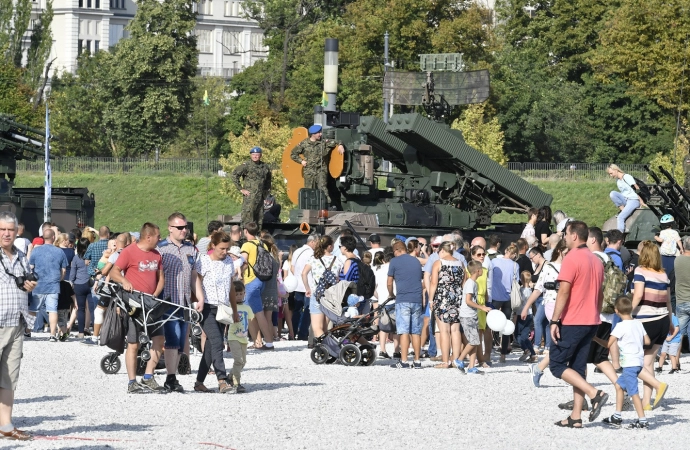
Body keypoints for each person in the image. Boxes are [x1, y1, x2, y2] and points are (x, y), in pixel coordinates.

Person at [550, 220, 609, 428]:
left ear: (574, 235)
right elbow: (600, 294)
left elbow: (564, 291)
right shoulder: (596, 260)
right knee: (578, 367)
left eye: (566, 233)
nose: (565, 237)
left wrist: (555, 320)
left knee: (556, 364)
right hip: (592, 320)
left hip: (573, 320)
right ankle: (576, 416)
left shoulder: (572, 257)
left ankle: (595, 393)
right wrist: (595, 315)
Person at [109, 223, 166, 394]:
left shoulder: (157, 255)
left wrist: (155, 294)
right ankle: (132, 382)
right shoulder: (129, 251)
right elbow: (114, 272)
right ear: (149, 237)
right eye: (158, 236)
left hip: (152, 304)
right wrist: (124, 281)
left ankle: (148, 376)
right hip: (134, 303)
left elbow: (160, 278)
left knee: (159, 339)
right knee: (133, 342)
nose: (160, 239)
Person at [0, 212, 37, 441]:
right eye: (2, 229)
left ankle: (6, 425)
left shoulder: (22, 256)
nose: (6, 233)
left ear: (17, 232)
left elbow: (23, 283)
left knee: (9, 377)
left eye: (10, 230)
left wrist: (30, 285)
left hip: (17, 322)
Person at [192, 231, 239, 394]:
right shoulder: (203, 262)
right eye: (222, 248)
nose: (225, 252)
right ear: (213, 246)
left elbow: (231, 286)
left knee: (211, 346)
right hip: (207, 308)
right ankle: (222, 380)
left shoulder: (229, 262)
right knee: (218, 342)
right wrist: (198, 300)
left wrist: (235, 310)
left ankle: (199, 382)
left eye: (227, 248)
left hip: (223, 309)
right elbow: (196, 282)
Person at [157, 212, 198, 393]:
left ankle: (172, 374)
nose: (184, 230)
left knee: (182, 342)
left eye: (186, 227)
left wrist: (199, 298)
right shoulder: (161, 249)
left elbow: (195, 276)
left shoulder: (192, 249)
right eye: (180, 227)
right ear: (170, 228)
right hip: (168, 301)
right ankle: (171, 377)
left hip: (186, 302)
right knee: (172, 338)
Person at [631, 240, 671, 410]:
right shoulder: (663, 274)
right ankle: (646, 403)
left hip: (646, 320)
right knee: (648, 362)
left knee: (632, 361)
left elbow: (638, 294)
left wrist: (628, 313)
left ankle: (657, 385)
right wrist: (670, 321)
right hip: (662, 320)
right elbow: (668, 300)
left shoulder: (640, 271)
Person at [600, 296, 650, 429]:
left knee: (634, 393)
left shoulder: (620, 326)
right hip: (639, 362)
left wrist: (594, 338)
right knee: (619, 386)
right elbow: (648, 341)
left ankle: (642, 420)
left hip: (629, 364)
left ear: (616, 311)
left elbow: (607, 345)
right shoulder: (638, 323)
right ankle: (617, 416)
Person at [427, 241, 464, 369]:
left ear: (442, 250)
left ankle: (445, 361)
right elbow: (463, 283)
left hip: (442, 298)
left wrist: (430, 300)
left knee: (444, 330)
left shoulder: (438, 263)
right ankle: (455, 360)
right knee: (455, 330)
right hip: (457, 299)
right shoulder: (461, 263)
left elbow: (433, 283)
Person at [388, 241, 424, 369]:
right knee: (415, 331)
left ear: (397, 250)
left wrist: (391, 294)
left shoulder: (394, 261)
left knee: (403, 331)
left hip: (403, 299)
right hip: (416, 299)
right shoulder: (415, 261)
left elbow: (389, 282)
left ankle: (404, 361)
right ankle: (417, 361)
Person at [290, 124, 345, 206]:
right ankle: (309, 207)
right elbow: (293, 154)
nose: (320, 134)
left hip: (321, 170)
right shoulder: (304, 143)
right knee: (309, 189)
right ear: (313, 134)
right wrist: (301, 161)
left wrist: (340, 145)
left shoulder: (324, 142)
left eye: (320, 132)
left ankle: (326, 206)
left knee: (322, 188)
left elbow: (337, 141)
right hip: (309, 171)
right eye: (318, 133)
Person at [28, 228, 68, 342]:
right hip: (53, 285)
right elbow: (64, 270)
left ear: (43, 238)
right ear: (53, 237)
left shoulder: (36, 251)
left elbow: (30, 267)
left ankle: (27, 331)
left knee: (33, 309)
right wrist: (59, 279)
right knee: (52, 310)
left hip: (38, 284)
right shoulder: (59, 251)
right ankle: (52, 334)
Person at [240, 222, 275, 350]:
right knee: (252, 313)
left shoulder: (247, 245)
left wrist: (237, 272)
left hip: (251, 281)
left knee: (258, 313)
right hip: (261, 280)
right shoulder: (263, 244)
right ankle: (257, 341)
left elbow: (243, 262)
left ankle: (269, 342)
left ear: (245, 231)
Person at [302, 236, 342, 340]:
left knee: (316, 327)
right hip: (332, 295)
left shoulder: (313, 259)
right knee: (324, 327)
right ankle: (327, 348)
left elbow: (304, 273)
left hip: (318, 293)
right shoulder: (337, 260)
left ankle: (326, 348)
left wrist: (307, 288)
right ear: (329, 246)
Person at [455, 261, 492, 374]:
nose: (483, 271)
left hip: (472, 315)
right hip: (467, 316)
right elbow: (468, 301)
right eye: (481, 269)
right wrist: (482, 307)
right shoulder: (470, 283)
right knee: (474, 341)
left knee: (475, 341)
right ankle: (459, 359)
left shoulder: (474, 283)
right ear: (477, 271)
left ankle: (471, 367)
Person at [231, 146, 272, 229]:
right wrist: (241, 189)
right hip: (250, 197)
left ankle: (257, 236)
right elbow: (234, 175)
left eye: (257, 154)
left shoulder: (264, 167)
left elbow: (268, 179)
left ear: (260, 155)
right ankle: (246, 236)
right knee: (248, 217)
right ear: (250, 155)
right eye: (253, 154)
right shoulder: (246, 166)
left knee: (259, 219)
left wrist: (266, 192)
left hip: (260, 197)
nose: (255, 156)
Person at [491, 243, 519, 363]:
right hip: (508, 296)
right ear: (513, 254)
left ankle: (488, 348)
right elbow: (516, 281)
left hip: (495, 295)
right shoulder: (515, 265)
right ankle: (503, 354)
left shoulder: (494, 262)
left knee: (490, 323)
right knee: (506, 325)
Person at [227, 280, 253, 393]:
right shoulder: (230, 307)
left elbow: (251, 323)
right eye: (236, 294)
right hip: (233, 337)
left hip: (243, 338)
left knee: (243, 362)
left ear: (244, 293)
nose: (238, 296)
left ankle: (230, 376)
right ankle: (236, 383)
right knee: (238, 360)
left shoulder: (247, 308)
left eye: (241, 294)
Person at [291, 234, 318, 341]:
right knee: (307, 310)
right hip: (308, 285)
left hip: (297, 285)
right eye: (317, 242)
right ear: (312, 242)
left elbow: (292, 268)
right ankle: (303, 333)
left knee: (297, 310)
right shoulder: (312, 253)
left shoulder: (297, 251)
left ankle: (292, 332)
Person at [373, 249, 398, 359]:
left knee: (383, 326)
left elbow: (374, 288)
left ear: (383, 260)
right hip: (395, 299)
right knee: (397, 327)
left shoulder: (378, 270)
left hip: (383, 301)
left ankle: (382, 350)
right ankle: (397, 350)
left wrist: (379, 297)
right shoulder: (396, 269)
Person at [607, 164, 641, 232]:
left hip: (633, 200)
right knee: (612, 193)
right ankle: (624, 210)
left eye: (611, 173)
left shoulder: (627, 177)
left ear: (616, 170)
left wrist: (641, 200)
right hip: (625, 199)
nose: (611, 175)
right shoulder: (618, 181)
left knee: (620, 217)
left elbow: (637, 188)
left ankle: (619, 236)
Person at [70, 238, 92, 339]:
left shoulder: (76, 258)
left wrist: (71, 284)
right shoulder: (92, 257)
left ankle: (81, 333)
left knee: (81, 309)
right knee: (91, 308)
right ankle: (93, 330)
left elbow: (72, 274)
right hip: (91, 284)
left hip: (79, 284)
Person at [674, 235, 690, 364]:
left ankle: (676, 360)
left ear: (683, 246)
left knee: (680, 334)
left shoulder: (677, 261)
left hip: (681, 300)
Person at [516, 270, 536, 363]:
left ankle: (526, 350)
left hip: (521, 314)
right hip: (530, 314)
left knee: (517, 335)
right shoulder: (531, 291)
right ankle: (532, 354)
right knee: (525, 336)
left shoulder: (521, 290)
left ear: (521, 279)